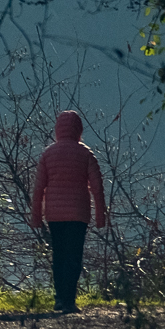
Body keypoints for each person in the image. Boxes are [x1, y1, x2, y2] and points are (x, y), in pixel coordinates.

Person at [29, 110, 109, 314]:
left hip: (54, 215)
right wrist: (101, 216)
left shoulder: (48, 154)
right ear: (78, 130)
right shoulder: (85, 153)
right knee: (74, 255)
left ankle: (59, 298)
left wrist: (36, 217)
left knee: (59, 255)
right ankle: (69, 300)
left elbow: (38, 188)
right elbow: (97, 186)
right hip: (78, 214)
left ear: (58, 130)